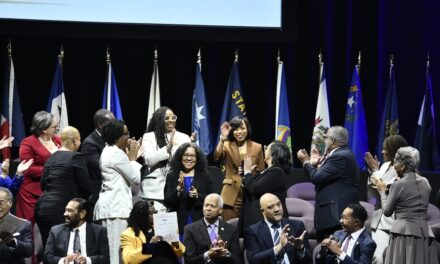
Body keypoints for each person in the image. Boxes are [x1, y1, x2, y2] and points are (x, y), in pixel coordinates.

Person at [375, 147, 438, 263]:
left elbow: (387, 211)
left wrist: (382, 192)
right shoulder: (425, 182)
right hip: (423, 233)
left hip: (403, 234)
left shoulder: (398, 185)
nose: (394, 167)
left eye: (396, 164)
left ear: (403, 166)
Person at [297, 126, 360, 240]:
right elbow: (324, 176)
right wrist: (314, 165)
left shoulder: (340, 156)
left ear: (332, 141)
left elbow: (316, 177)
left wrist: (305, 162)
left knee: (332, 253)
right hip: (334, 217)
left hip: (335, 217)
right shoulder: (342, 154)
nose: (324, 140)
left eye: (325, 137)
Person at [35, 126, 92, 248]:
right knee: (64, 249)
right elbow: (86, 188)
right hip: (61, 210)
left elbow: (43, 184)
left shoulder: (51, 157)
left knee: (48, 249)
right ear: (75, 141)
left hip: (42, 209)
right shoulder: (76, 157)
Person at [94, 119, 142, 264]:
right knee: (115, 254)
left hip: (111, 208)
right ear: (117, 137)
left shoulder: (109, 151)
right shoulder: (116, 154)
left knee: (114, 253)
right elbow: (135, 178)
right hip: (115, 209)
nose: (128, 137)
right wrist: (133, 158)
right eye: (126, 134)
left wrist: (130, 158)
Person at [364, 135, 408, 264]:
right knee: (377, 258)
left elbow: (388, 189)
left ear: (396, 150)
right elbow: (374, 189)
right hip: (379, 221)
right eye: (382, 149)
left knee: (394, 259)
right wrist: (375, 172)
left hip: (396, 221)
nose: (382, 152)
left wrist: (375, 171)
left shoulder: (404, 170)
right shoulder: (384, 166)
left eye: (386, 149)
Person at [140, 106, 191, 213]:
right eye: (167, 118)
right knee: (156, 226)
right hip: (155, 192)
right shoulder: (149, 137)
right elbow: (149, 160)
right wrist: (168, 147)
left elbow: (187, 161)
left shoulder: (184, 137)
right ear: (159, 119)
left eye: (173, 117)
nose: (171, 120)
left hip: (177, 189)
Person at [214, 116, 265, 221]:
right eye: (236, 129)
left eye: (242, 128)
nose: (239, 132)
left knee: (248, 230)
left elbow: (261, 171)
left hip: (250, 193)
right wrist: (222, 139)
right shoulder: (226, 145)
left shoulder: (257, 147)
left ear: (248, 129)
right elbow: (217, 158)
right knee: (228, 229)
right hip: (231, 193)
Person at [16, 111, 61, 223]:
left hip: (52, 191)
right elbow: (28, 169)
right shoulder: (27, 143)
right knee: (26, 227)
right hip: (31, 193)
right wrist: (52, 169)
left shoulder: (58, 140)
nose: (57, 128)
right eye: (54, 126)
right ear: (44, 129)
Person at [239, 140, 291, 236]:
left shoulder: (277, 172)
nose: (265, 149)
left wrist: (248, 173)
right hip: (254, 218)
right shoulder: (267, 171)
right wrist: (246, 176)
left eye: (268, 148)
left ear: (273, 153)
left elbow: (255, 189)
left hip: (265, 222)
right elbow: (251, 188)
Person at [244, 193, 311, 264]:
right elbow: (253, 260)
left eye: (279, 204)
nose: (277, 209)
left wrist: (300, 248)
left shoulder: (297, 225)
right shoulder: (252, 231)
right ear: (262, 211)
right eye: (270, 207)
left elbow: (309, 260)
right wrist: (279, 247)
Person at [164, 143, 215, 236]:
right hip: (178, 226)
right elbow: (168, 202)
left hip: (200, 224)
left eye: (192, 156)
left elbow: (213, 198)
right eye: (186, 155)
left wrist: (197, 196)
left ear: (197, 158)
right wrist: (178, 189)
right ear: (180, 157)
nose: (189, 158)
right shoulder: (172, 175)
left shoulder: (204, 175)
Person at [44, 198, 110, 264]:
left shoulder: (99, 231)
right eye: (65, 210)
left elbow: (105, 258)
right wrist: (63, 261)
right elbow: (47, 257)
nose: (65, 214)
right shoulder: (56, 231)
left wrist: (86, 260)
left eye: (70, 211)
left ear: (82, 214)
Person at [121, 200, 185, 264]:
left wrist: (176, 244)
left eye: (155, 213)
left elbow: (180, 253)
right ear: (142, 215)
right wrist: (150, 245)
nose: (154, 216)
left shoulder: (161, 229)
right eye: (151, 213)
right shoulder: (128, 234)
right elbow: (128, 259)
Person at [184, 193, 242, 264]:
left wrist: (226, 253)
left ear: (220, 210)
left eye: (212, 206)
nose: (208, 209)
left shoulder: (231, 229)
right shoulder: (190, 229)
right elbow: (189, 261)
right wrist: (208, 255)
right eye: (206, 205)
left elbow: (238, 261)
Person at [80, 109, 115, 213]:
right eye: (111, 123)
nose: (114, 126)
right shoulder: (90, 143)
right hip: (97, 195)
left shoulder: (111, 139)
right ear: (100, 124)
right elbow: (98, 166)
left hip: (111, 193)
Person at [0, 187, 33, 263]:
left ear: (10, 203)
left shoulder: (23, 224)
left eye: (0, 203)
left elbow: (28, 251)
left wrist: (13, 242)